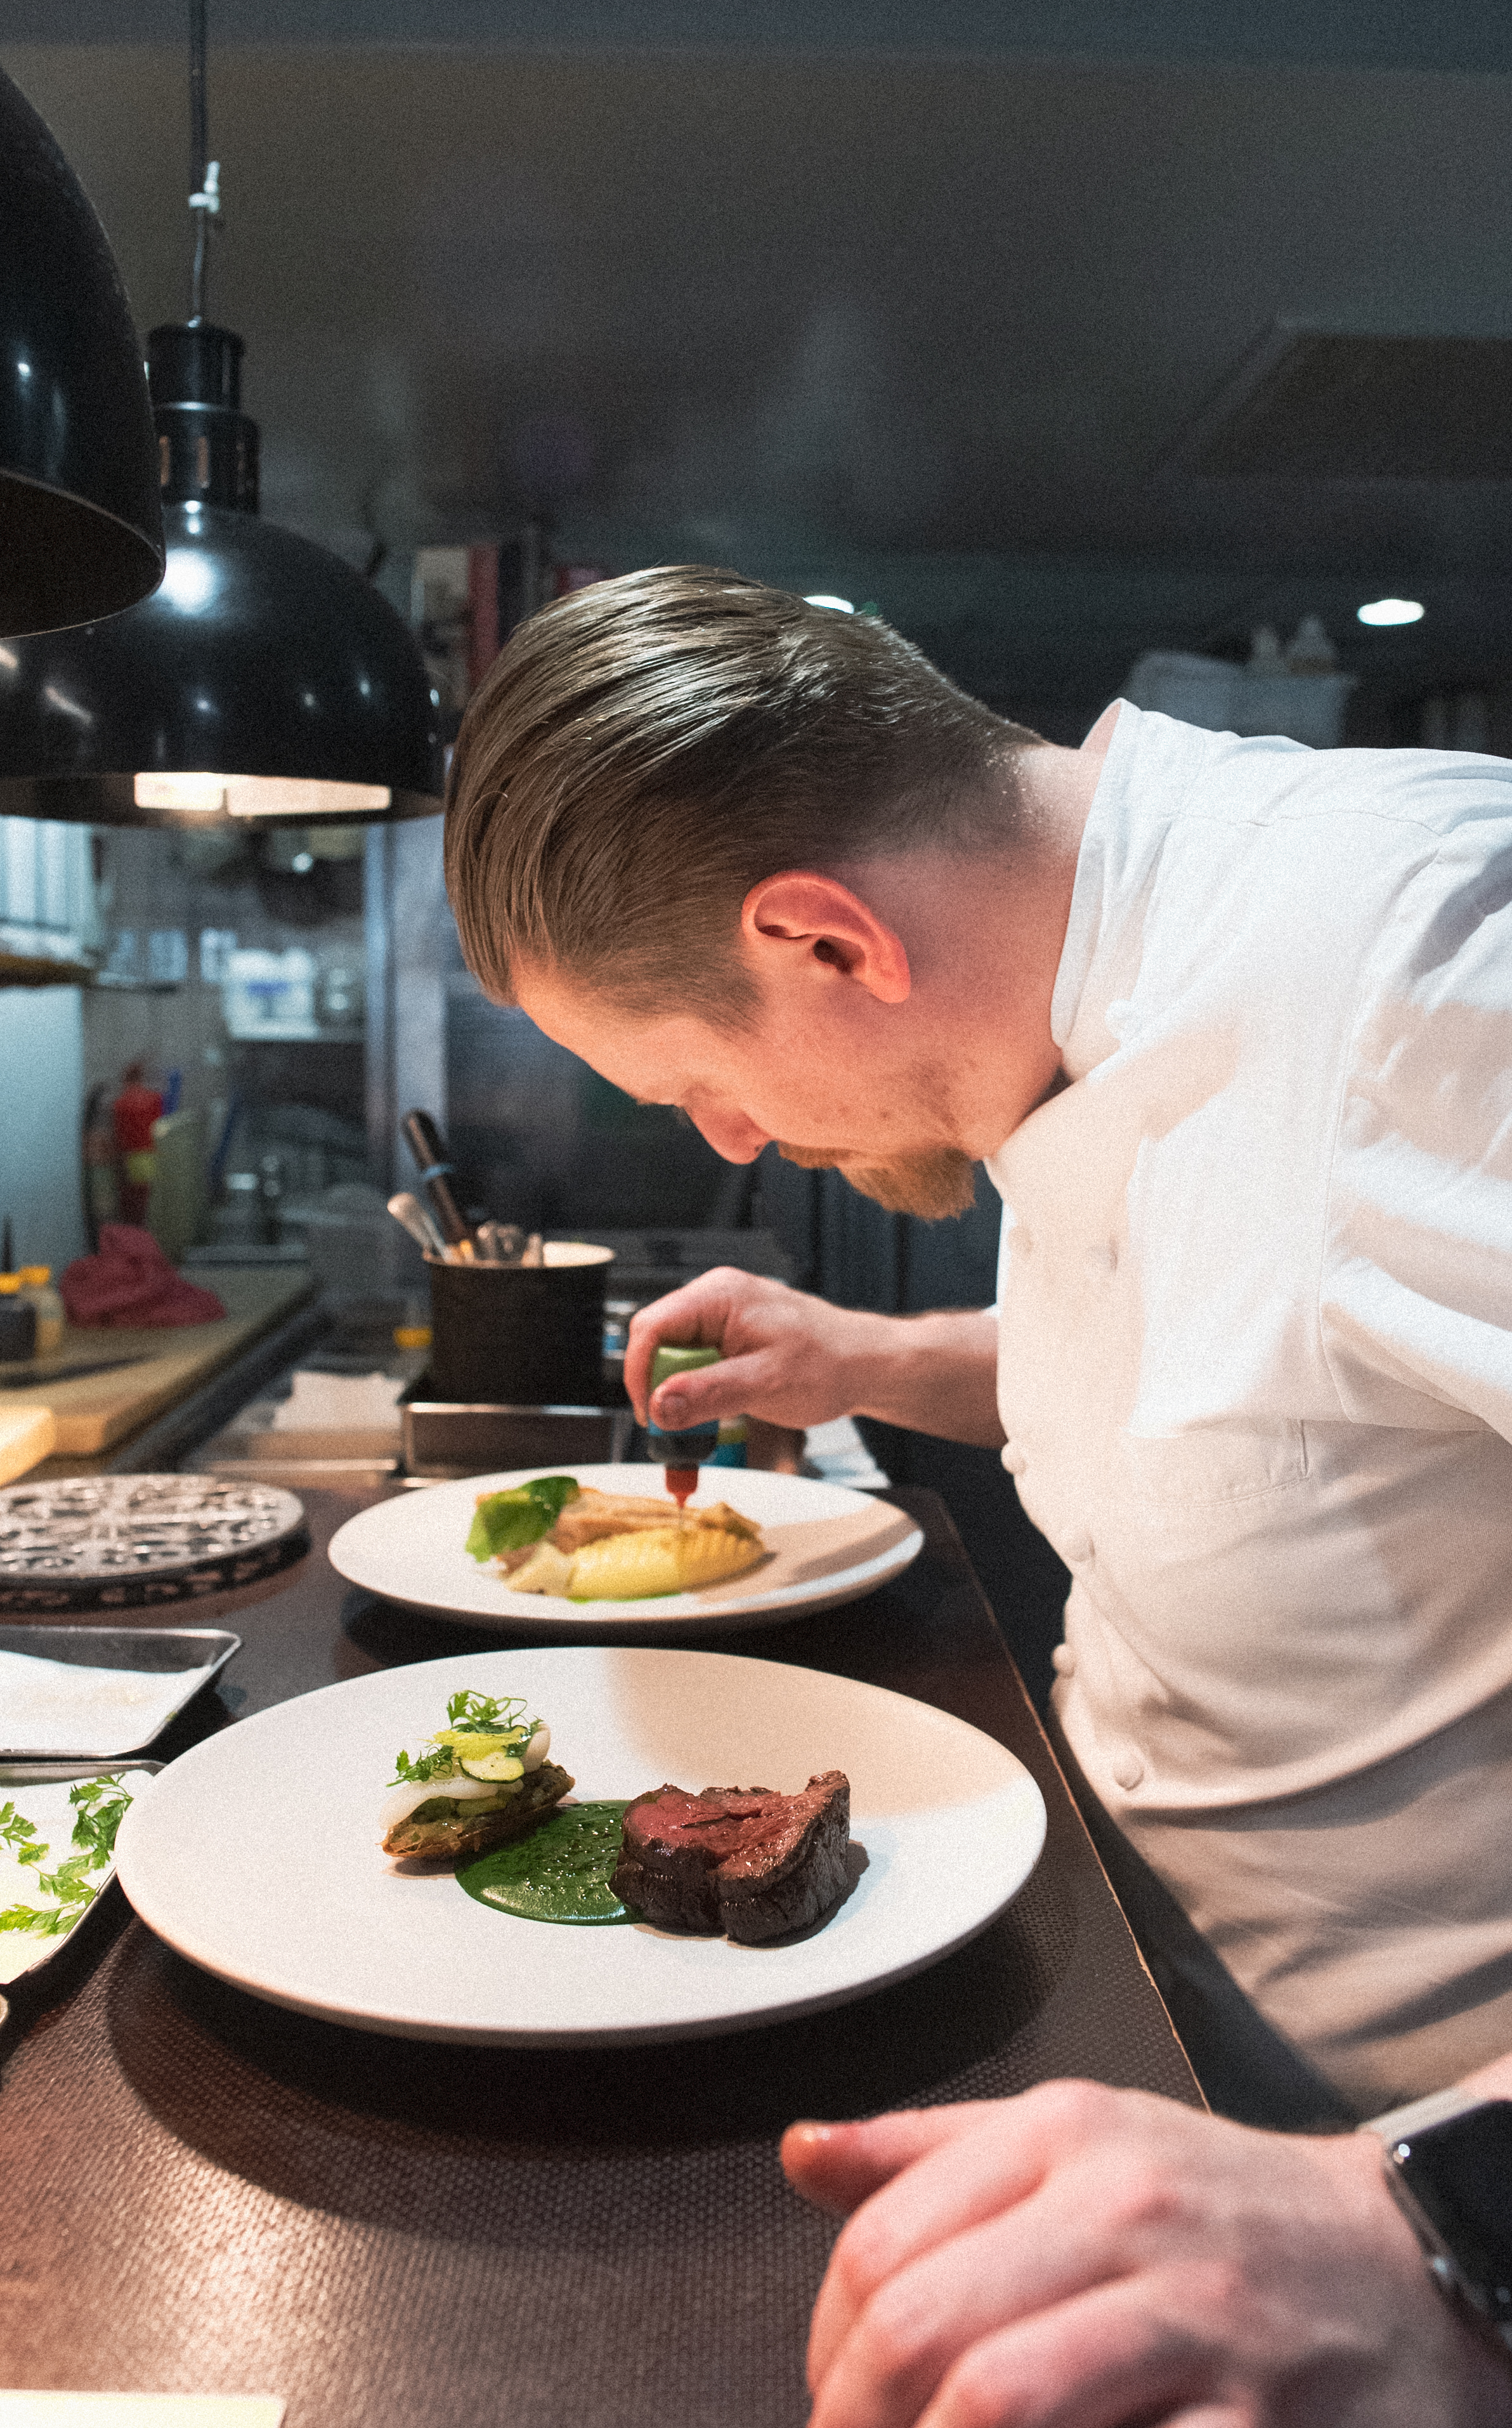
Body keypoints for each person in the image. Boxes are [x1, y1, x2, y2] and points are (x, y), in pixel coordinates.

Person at [444, 565, 1512, 2422]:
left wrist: (1435, 2221)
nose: (737, 1141)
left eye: (707, 1080)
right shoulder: (1077, 987)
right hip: (1117, 1997)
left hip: (1386, 2187)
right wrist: (868, 1356)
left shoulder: (1430, 956)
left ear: (828, 941)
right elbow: (1274, 1377)